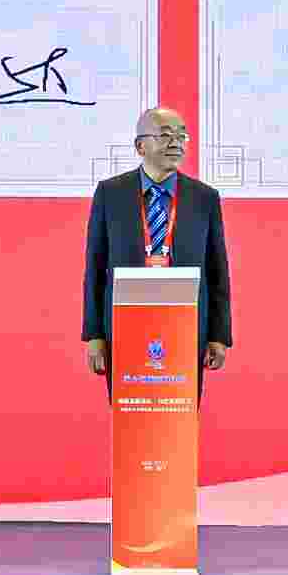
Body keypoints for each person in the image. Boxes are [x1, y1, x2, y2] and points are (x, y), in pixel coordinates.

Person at [80, 104, 232, 387]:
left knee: (179, 410)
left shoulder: (204, 197)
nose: (176, 143)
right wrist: (94, 335)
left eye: (181, 136)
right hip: (124, 324)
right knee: (132, 409)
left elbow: (217, 271)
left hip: (187, 325)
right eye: (165, 135)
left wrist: (218, 335)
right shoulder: (110, 193)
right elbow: (95, 268)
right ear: (140, 146)